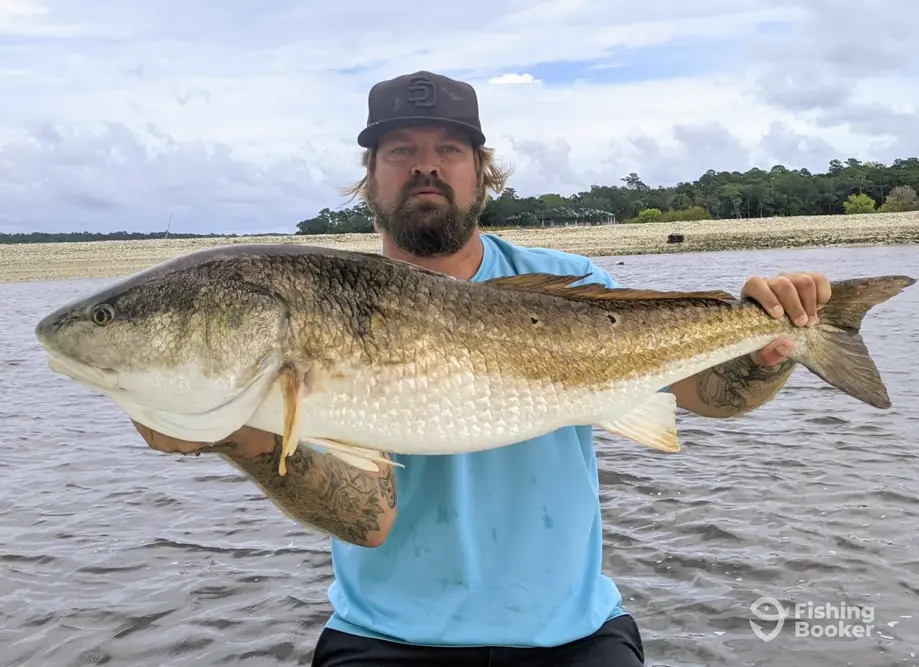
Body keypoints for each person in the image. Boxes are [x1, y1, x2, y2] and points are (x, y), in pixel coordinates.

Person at [134, 71, 831, 666]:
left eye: (449, 149)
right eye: (400, 149)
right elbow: (369, 518)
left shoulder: (573, 283)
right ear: (371, 178)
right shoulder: (317, 308)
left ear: (480, 171)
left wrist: (772, 347)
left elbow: (709, 395)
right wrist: (235, 433)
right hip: (384, 639)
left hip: (575, 634)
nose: (424, 165)